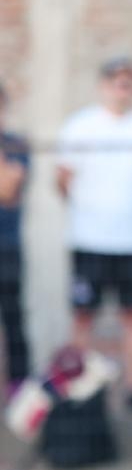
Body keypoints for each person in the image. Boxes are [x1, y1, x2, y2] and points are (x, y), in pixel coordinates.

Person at [57, 57, 132, 412]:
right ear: (103, 86)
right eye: (116, 82)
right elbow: (63, 178)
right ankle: (77, 391)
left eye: (128, 83)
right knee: (83, 315)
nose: (121, 89)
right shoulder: (80, 126)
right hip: (90, 240)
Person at [0, 81, 30, 400]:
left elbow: (7, 192)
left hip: (6, 247)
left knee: (13, 317)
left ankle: (19, 389)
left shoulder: (17, 146)